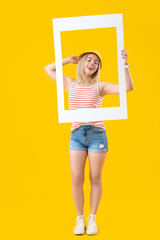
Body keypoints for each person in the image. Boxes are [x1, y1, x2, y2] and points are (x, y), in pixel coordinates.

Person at [44, 49, 133, 235]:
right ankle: (79, 218)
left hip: (96, 134)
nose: (92, 64)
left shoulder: (100, 86)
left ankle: (92, 218)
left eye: (96, 62)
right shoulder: (70, 83)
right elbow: (48, 69)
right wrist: (68, 60)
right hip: (76, 134)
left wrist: (125, 64)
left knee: (95, 178)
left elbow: (127, 87)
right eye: (89, 60)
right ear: (83, 61)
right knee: (76, 178)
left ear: (98, 68)